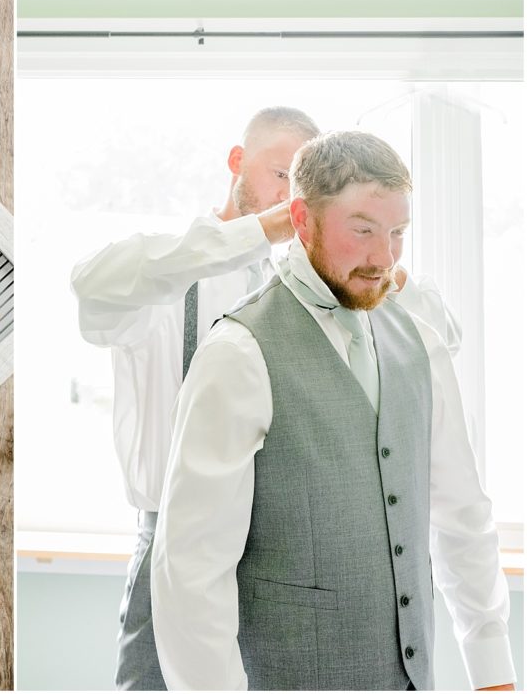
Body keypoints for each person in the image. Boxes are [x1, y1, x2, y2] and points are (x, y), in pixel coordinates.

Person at [70, 109, 459, 690]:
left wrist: (378, 262)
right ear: (237, 162)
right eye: (281, 173)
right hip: (175, 550)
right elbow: (91, 284)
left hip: (303, 559)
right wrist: (264, 229)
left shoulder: (326, 289)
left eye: (299, 184)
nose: (287, 192)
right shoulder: (168, 273)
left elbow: (442, 340)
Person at [151, 131, 514, 691]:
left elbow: (463, 515)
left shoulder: (422, 343)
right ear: (301, 218)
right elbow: (191, 574)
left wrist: (493, 672)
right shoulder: (237, 355)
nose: (383, 258)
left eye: (396, 233)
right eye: (362, 230)